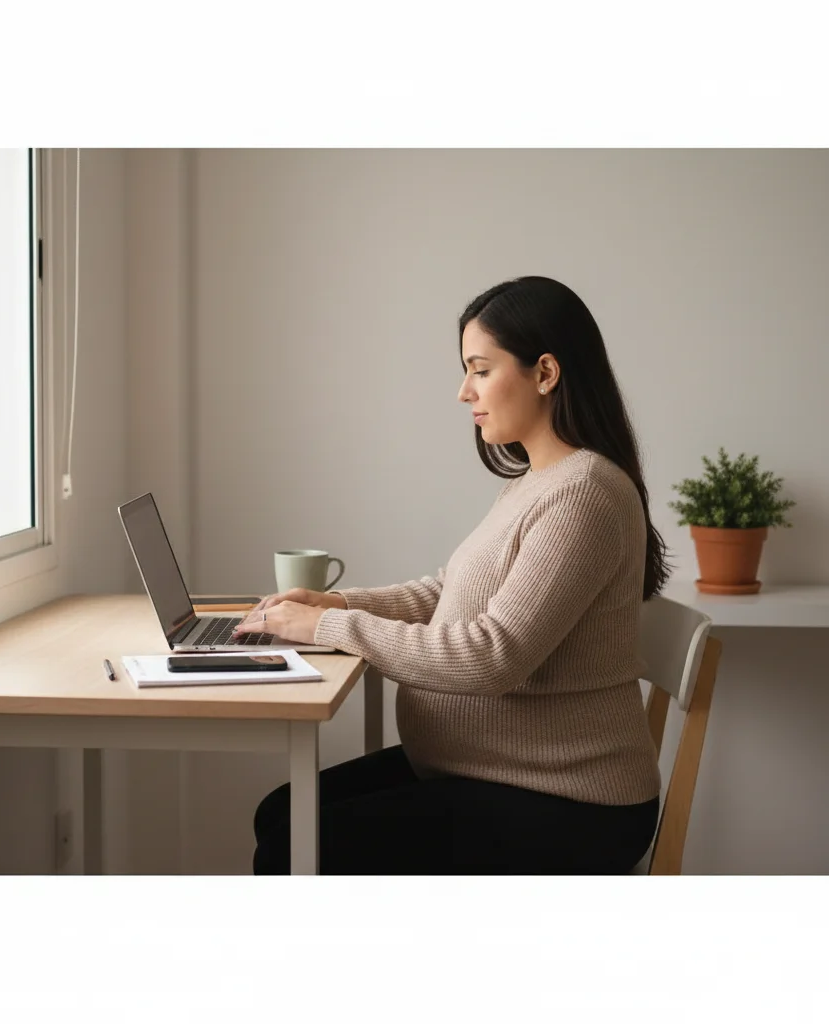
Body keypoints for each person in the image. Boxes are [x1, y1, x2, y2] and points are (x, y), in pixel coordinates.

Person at [233, 275, 670, 874]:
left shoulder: (585, 494)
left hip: (571, 800)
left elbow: (494, 655)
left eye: (480, 370)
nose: (465, 392)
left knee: (291, 848)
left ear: (545, 373)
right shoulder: (538, 482)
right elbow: (448, 592)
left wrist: (327, 628)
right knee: (279, 816)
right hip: (493, 770)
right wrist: (334, 604)